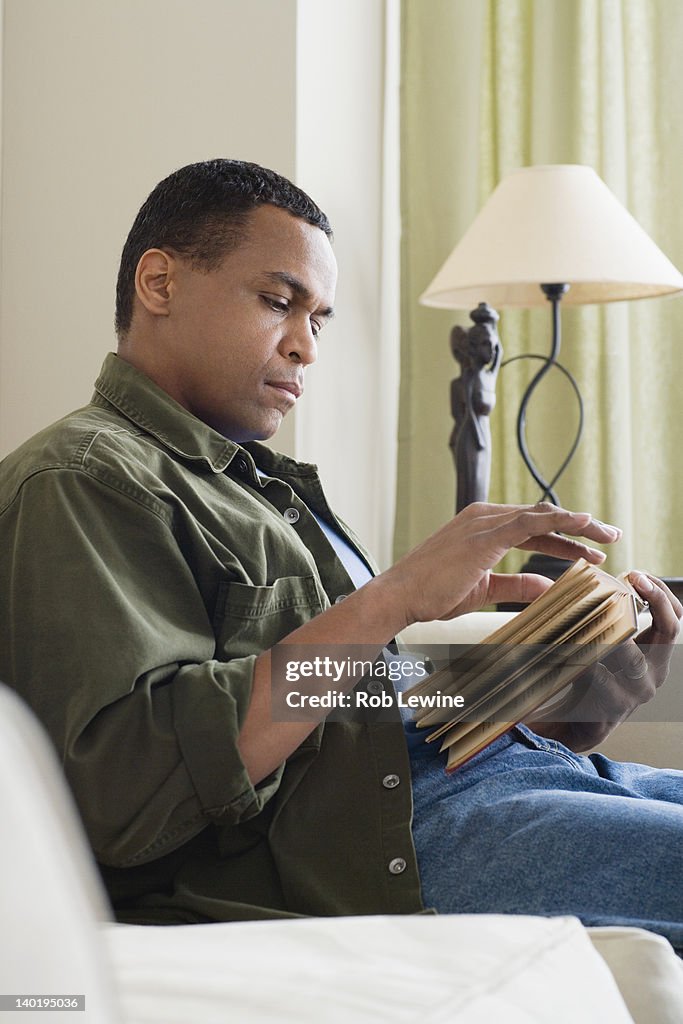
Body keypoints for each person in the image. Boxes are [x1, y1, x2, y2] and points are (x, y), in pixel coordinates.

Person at [1, 159, 682, 947]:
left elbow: (356, 718)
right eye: (277, 302)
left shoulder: (263, 490)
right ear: (159, 283)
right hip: (398, 845)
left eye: (318, 319)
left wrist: (582, 701)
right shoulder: (84, 481)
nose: (305, 347)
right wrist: (387, 599)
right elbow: (124, 789)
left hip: (500, 785)